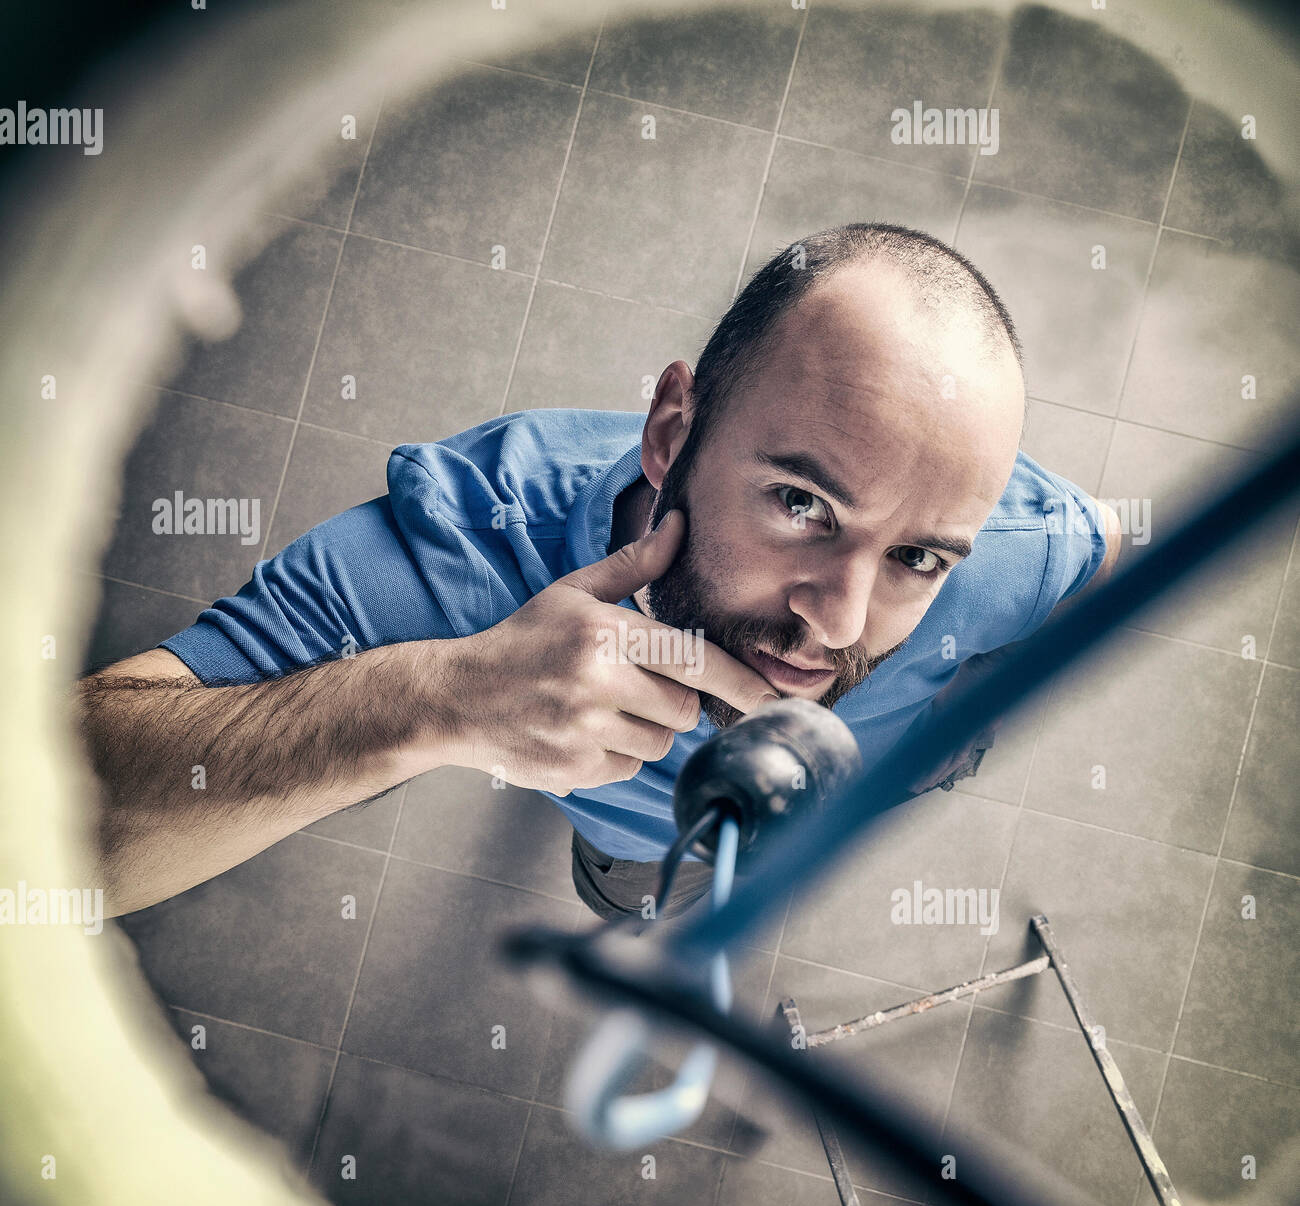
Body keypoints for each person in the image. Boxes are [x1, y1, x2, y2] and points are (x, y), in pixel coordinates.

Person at [78, 224, 1120, 923]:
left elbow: (1106, 561)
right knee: (634, 889)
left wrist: (956, 730)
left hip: (836, 806)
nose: (839, 622)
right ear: (672, 431)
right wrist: (432, 699)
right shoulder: (471, 557)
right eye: (802, 503)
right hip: (638, 844)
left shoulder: (1019, 544)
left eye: (917, 558)